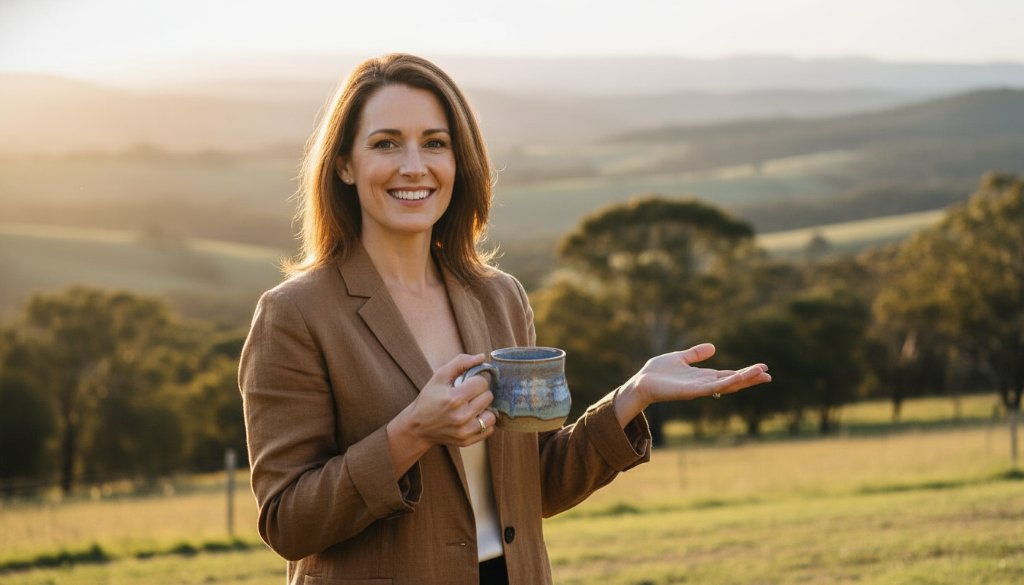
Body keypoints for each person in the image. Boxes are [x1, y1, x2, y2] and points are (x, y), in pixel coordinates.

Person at [239, 53, 771, 585]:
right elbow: (287, 522)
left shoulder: (499, 297)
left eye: (435, 143)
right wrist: (411, 432)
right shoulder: (295, 314)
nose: (414, 165)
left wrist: (632, 397)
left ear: (459, 161)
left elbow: (534, 482)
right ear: (344, 165)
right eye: (385, 143)